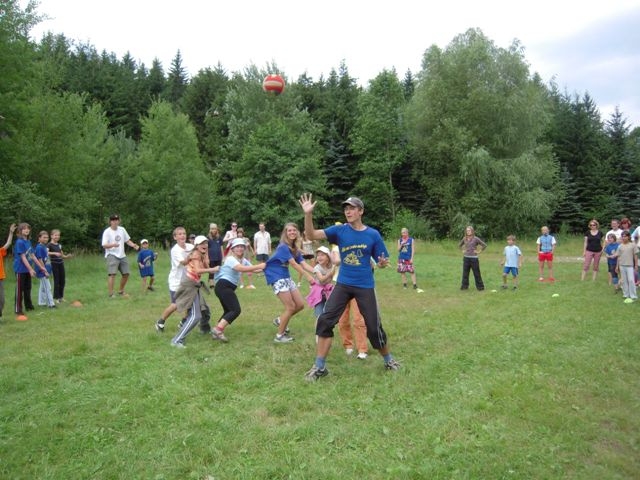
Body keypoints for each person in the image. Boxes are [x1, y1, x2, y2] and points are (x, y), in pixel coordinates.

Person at [299, 193, 400, 381]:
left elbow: (382, 260)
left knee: (373, 328)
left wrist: (382, 263)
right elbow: (311, 235)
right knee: (325, 321)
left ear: (361, 211)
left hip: (365, 285)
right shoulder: (340, 231)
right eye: (346, 208)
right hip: (343, 284)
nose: (348, 211)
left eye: (352, 208)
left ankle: (389, 360)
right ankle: (319, 367)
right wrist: (308, 214)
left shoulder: (373, 234)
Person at [264, 222, 316, 343]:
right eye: (289, 230)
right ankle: (279, 336)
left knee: (300, 305)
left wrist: (318, 272)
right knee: (290, 307)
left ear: (297, 232)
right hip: (276, 276)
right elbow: (293, 264)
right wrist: (308, 277)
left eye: (294, 230)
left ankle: (280, 320)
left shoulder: (295, 249)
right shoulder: (283, 246)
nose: (292, 232)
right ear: (285, 233)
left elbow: (303, 264)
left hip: (286, 277)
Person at [210, 237, 266, 343]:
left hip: (225, 287)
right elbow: (241, 268)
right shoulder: (230, 259)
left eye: (242, 246)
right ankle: (218, 330)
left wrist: (267, 267)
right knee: (235, 310)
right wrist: (259, 265)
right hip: (223, 286)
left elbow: (255, 269)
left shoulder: (243, 260)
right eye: (237, 247)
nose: (240, 248)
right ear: (233, 249)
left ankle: (216, 331)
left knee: (228, 310)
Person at [170, 235, 219, 348]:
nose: (205, 245)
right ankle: (177, 340)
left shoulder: (201, 254)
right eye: (202, 243)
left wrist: (206, 256)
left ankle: (204, 329)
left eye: (206, 243)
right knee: (195, 315)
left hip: (194, 284)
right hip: (189, 285)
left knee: (205, 310)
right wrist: (213, 269)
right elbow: (197, 270)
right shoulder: (196, 254)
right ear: (196, 245)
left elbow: (206, 266)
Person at [331, 224, 368, 359]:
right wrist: (349, 256)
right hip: (340, 286)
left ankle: (362, 349)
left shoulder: (360, 245)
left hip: (358, 285)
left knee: (359, 318)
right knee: (343, 318)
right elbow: (336, 260)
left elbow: (370, 262)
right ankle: (348, 345)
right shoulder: (336, 248)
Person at [155, 227, 194, 332]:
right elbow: (184, 262)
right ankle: (160, 322)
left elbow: (199, 251)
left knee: (190, 302)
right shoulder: (175, 250)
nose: (182, 236)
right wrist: (193, 254)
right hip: (176, 282)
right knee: (176, 304)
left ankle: (183, 322)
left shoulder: (190, 246)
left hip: (188, 280)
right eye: (179, 234)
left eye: (184, 233)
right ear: (175, 237)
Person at [101, 214, 139, 297]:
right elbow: (104, 245)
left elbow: (127, 240)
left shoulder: (122, 229)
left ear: (119, 221)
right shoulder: (107, 232)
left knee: (126, 273)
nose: (115, 222)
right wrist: (113, 245)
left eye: (116, 220)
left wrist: (133, 245)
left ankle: (121, 291)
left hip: (122, 255)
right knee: (112, 274)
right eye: (113, 220)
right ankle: (111, 294)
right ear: (110, 221)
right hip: (112, 254)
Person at [13, 223, 44, 320]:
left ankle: (29, 306)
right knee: (20, 289)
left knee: (27, 288)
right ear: (20, 231)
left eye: (28, 229)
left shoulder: (28, 241)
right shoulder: (19, 242)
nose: (26, 230)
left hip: (27, 269)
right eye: (24, 229)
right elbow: (23, 257)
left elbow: (33, 256)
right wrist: (30, 269)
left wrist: (41, 267)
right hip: (20, 269)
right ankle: (18, 309)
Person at [306, 246, 335, 322]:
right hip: (318, 293)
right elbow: (321, 279)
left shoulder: (331, 267)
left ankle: (325, 327)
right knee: (319, 315)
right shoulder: (317, 268)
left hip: (328, 291)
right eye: (318, 255)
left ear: (328, 257)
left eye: (322, 255)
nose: (319, 257)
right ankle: (318, 329)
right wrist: (330, 273)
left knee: (328, 313)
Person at [459, 226, 487, 291]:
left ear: (472, 231)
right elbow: (459, 245)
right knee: (465, 274)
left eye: (469, 230)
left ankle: (480, 287)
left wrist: (479, 251)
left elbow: (484, 245)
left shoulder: (476, 239)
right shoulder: (464, 238)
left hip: (474, 259)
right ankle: (464, 287)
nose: (468, 232)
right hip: (466, 258)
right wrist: (463, 250)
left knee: (477, 273)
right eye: (467, 230)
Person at [48, 229, 72, 303]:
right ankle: (56, 298)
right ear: (51, 236)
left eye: (58, 235)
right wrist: (54, 253)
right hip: (54, 264)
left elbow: (62, 255)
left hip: (61, 264)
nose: (57, 237)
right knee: (57, 280)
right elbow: (47, 252)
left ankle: (61, 297)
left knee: (62, 280)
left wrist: (67, 256)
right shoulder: (49, 245)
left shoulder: (59, 245)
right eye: (55, 235)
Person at [614, 230, 637, 303]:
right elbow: (618, 256)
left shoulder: (632, 245)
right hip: (622, 265)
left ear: (628, 237)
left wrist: (636, 265)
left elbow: (635, 256)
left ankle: (633, 295)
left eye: (625, 236)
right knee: (624, 281)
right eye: (622, 236)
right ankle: (626, 294)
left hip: (630, 265)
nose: (623, 238)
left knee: (631, 280)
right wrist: (617, 266)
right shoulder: (620, 246)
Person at [0, 223, 17, 319]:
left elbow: (8, 244)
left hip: (0, 278)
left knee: (1, 300)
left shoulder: (0, 251)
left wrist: (11, 232)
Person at [34, 231, 55, 308]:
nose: (46, 239)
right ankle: (51, 304)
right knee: (47, 287)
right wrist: (44, 271)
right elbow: (40, 260)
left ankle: (41, 302)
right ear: (39, 238)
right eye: (44, 237)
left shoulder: (44, 247)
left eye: (47, 237)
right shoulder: (39, 248)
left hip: (46, 270)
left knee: (43, 287)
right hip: (42, 272)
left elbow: (46, 259)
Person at [207, 223, 224, 288]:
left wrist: (223, 257)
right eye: (212, 228)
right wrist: (207, 258)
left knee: (218, 270)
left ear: (217, 229)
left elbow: (221, 248)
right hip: (211, 258)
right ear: (210, 229)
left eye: (214, 228)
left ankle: (218, 282)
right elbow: (206, 249)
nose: (213, 230)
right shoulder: (207, 238)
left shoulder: (219, 238)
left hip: (219, 257)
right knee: (211, 270)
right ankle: (211, 283)